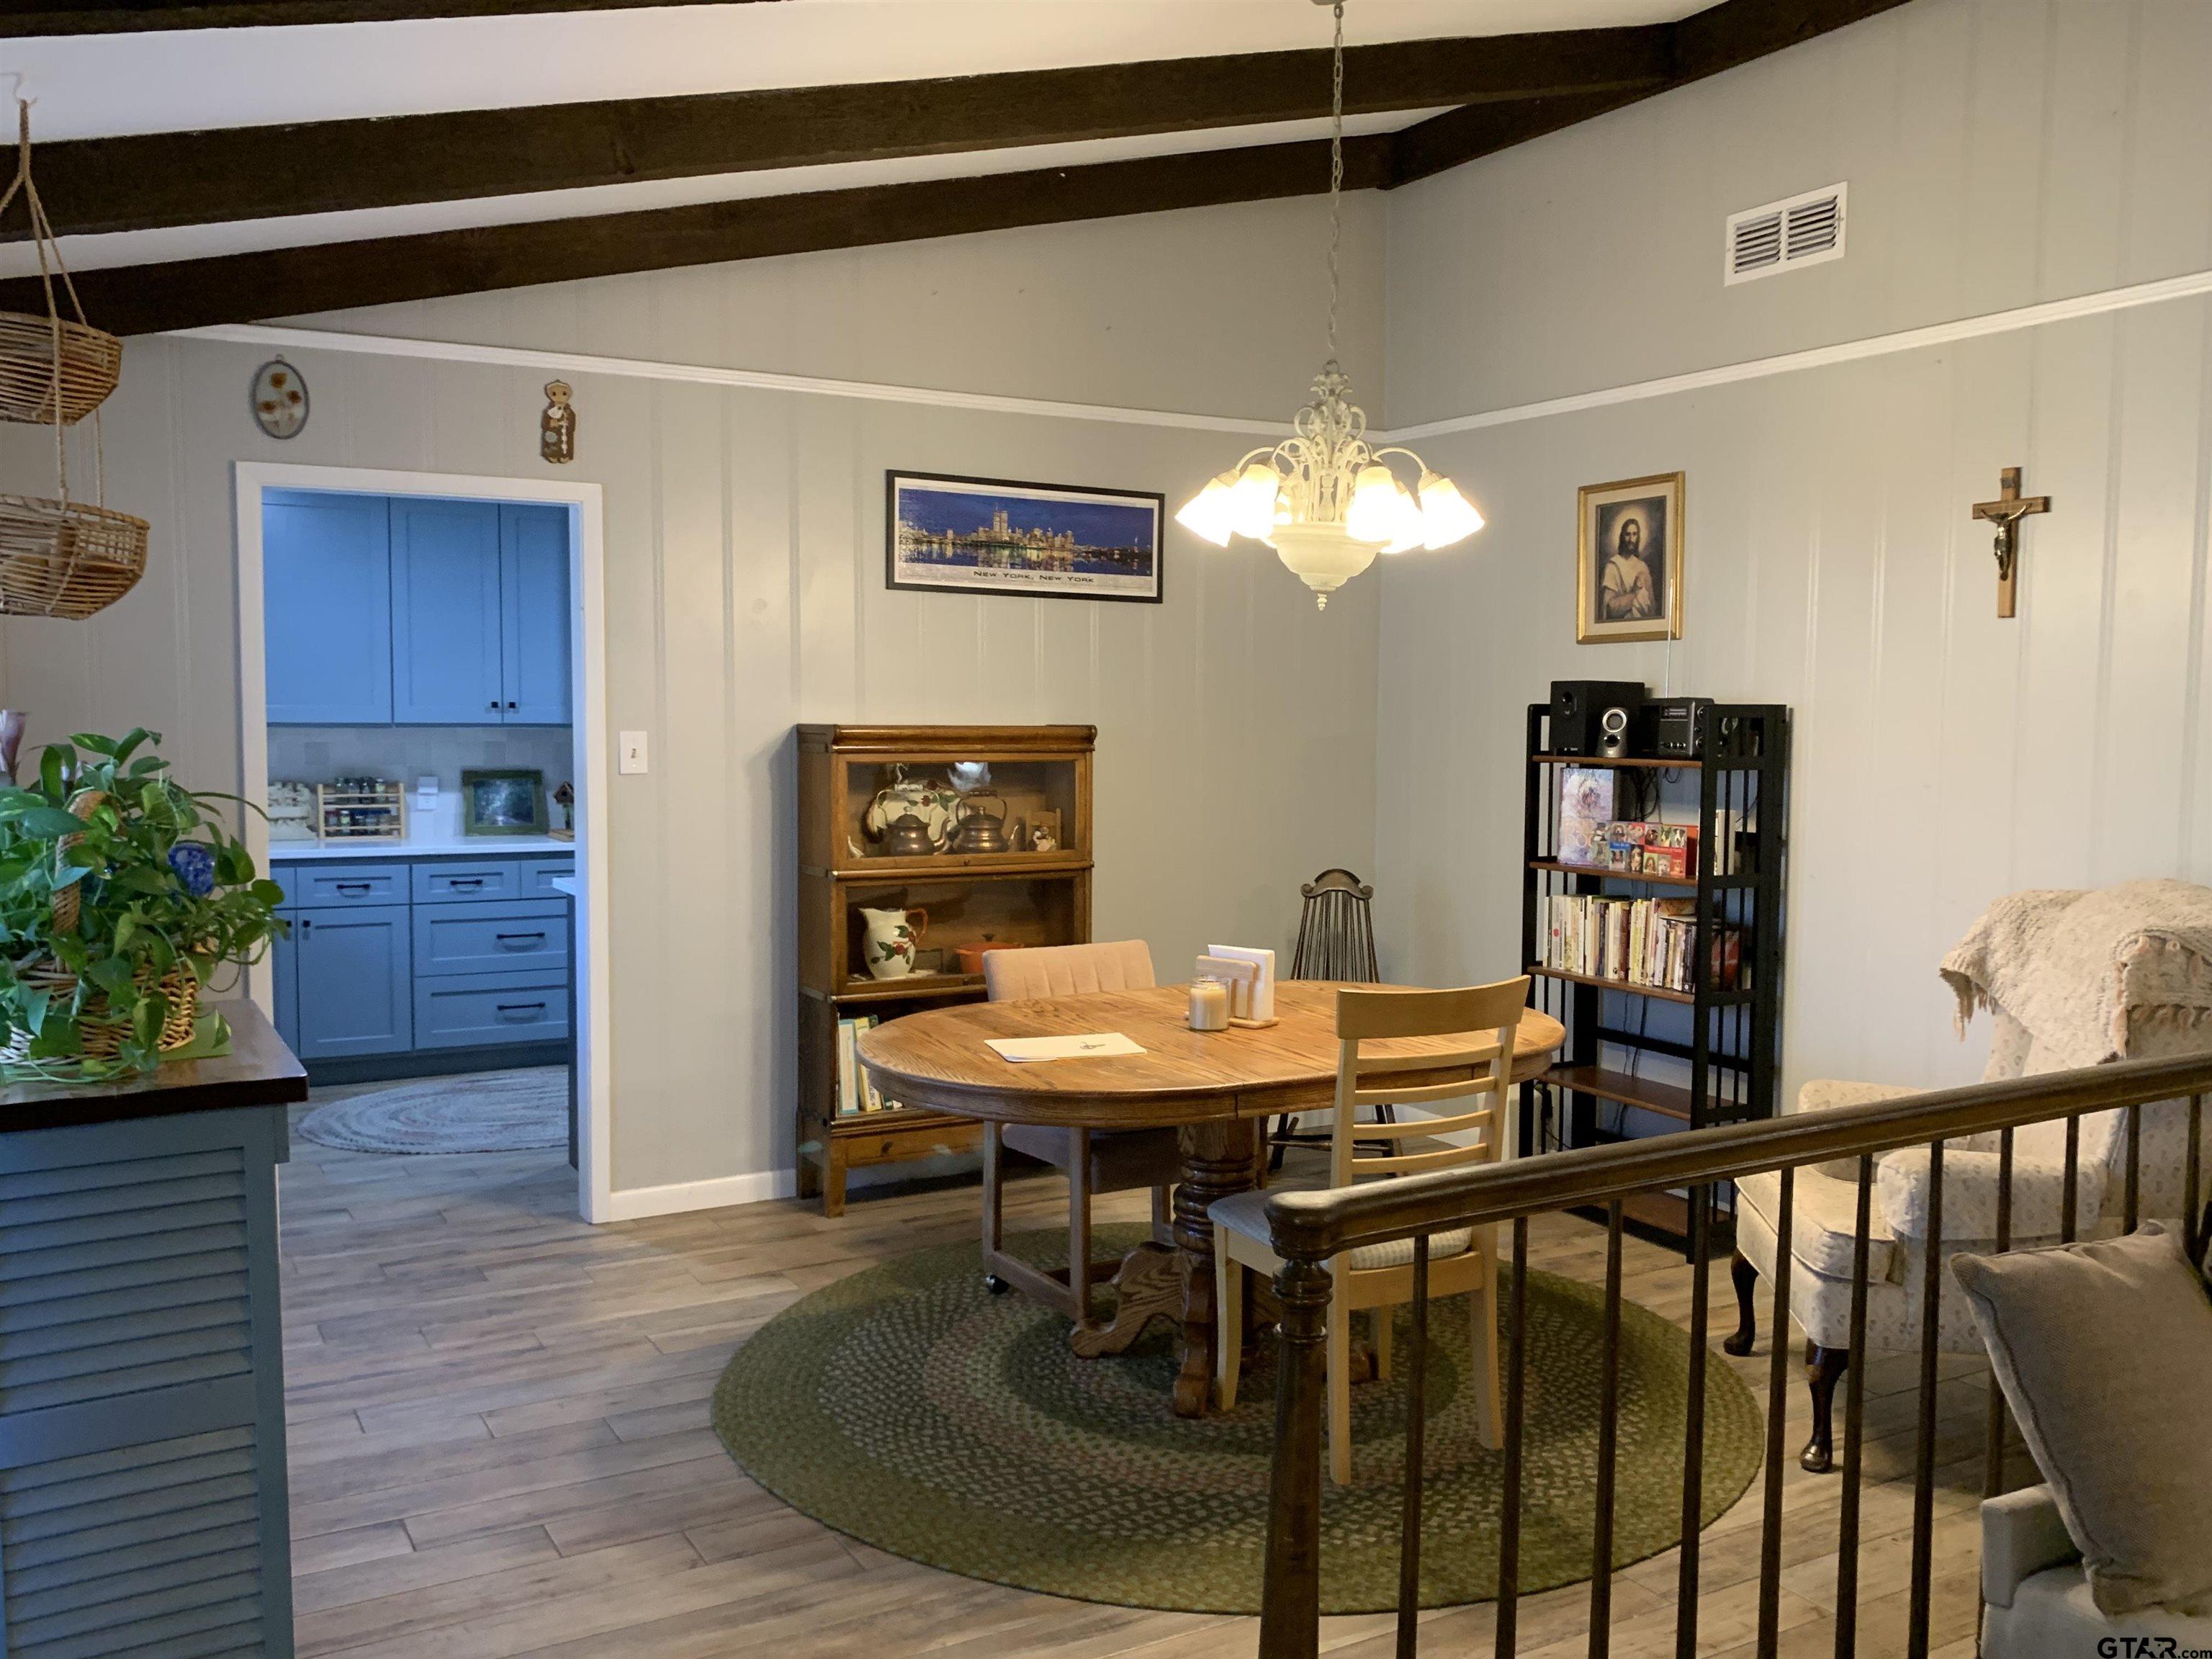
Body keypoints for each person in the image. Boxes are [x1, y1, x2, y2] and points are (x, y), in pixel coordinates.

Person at [1599, 515, 1658, 621]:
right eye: (1628, 535)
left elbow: (1652, 609)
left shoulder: (1643, 567)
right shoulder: (1613, 566)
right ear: (1622, 537)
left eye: (1635, 534)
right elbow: (1610, 608)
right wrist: (1634, 594)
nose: (1631, 539)